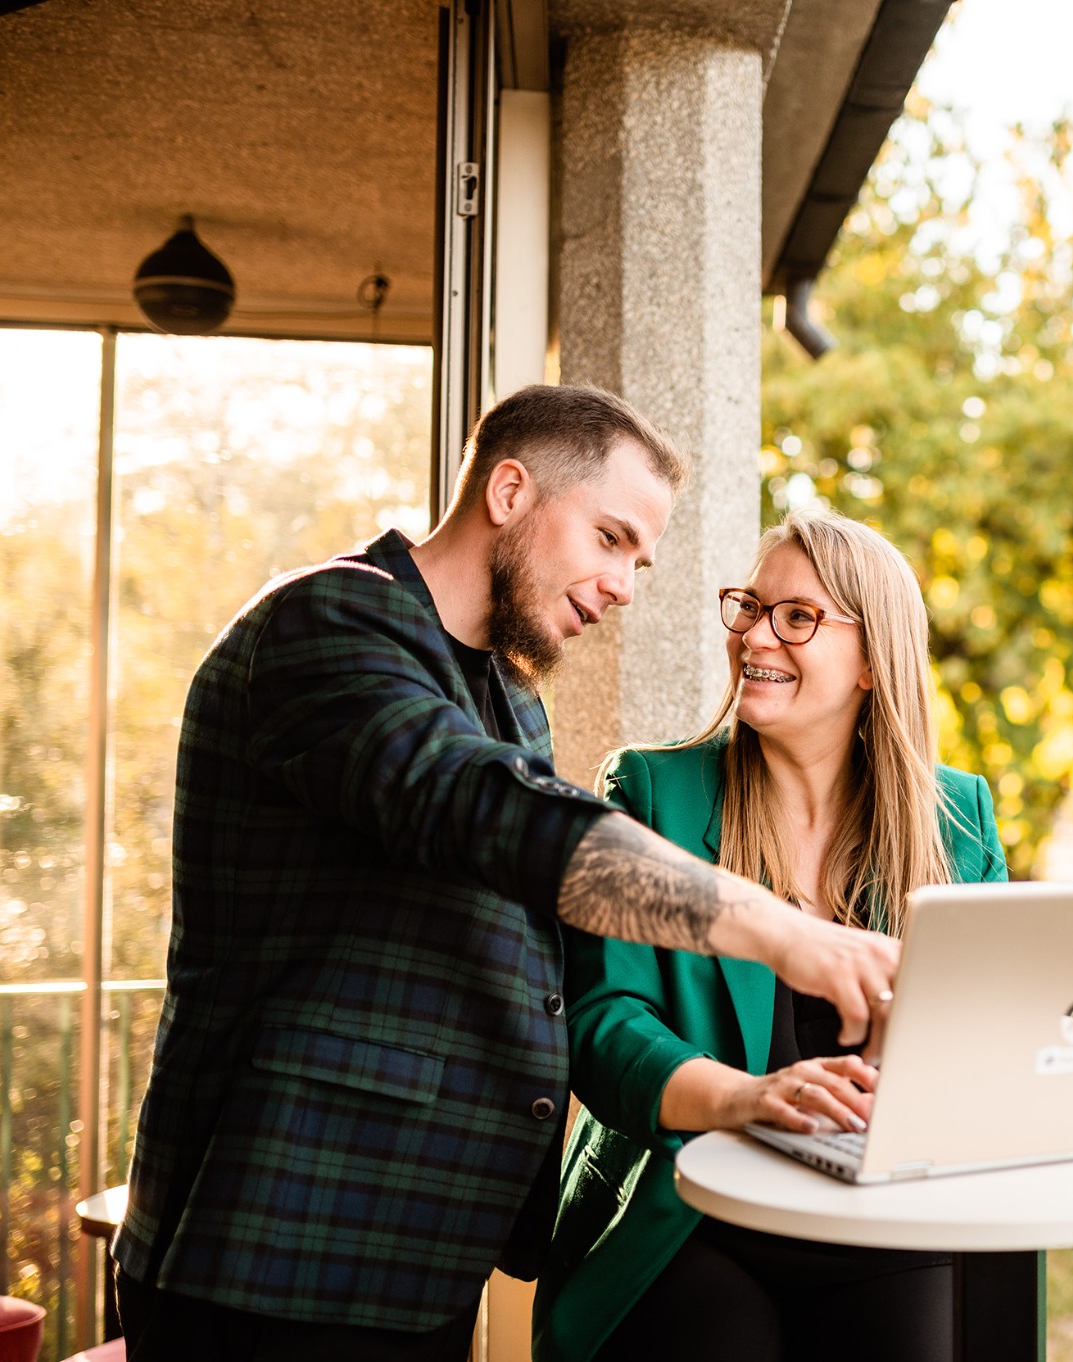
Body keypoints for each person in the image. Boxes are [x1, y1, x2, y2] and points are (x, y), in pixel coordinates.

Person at [113, 386, 902, 1362]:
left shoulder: (505, 698)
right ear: (511, 488)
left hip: (418, 1251)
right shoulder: (328, 625)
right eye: (609, 538)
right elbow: (486, 813)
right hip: (273, 1246)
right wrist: (788, 933)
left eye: (638, 560)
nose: (622, 584)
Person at [533, 509, 1008, 1362]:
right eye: (751, 607)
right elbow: (604, 1025)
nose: (756, 635)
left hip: (889, 1214)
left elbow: (992, 1031)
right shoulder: (652, 789)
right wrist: (747, 1101)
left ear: (872, 662)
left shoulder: (958, 818)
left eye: (798, 617)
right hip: (690, 1210)